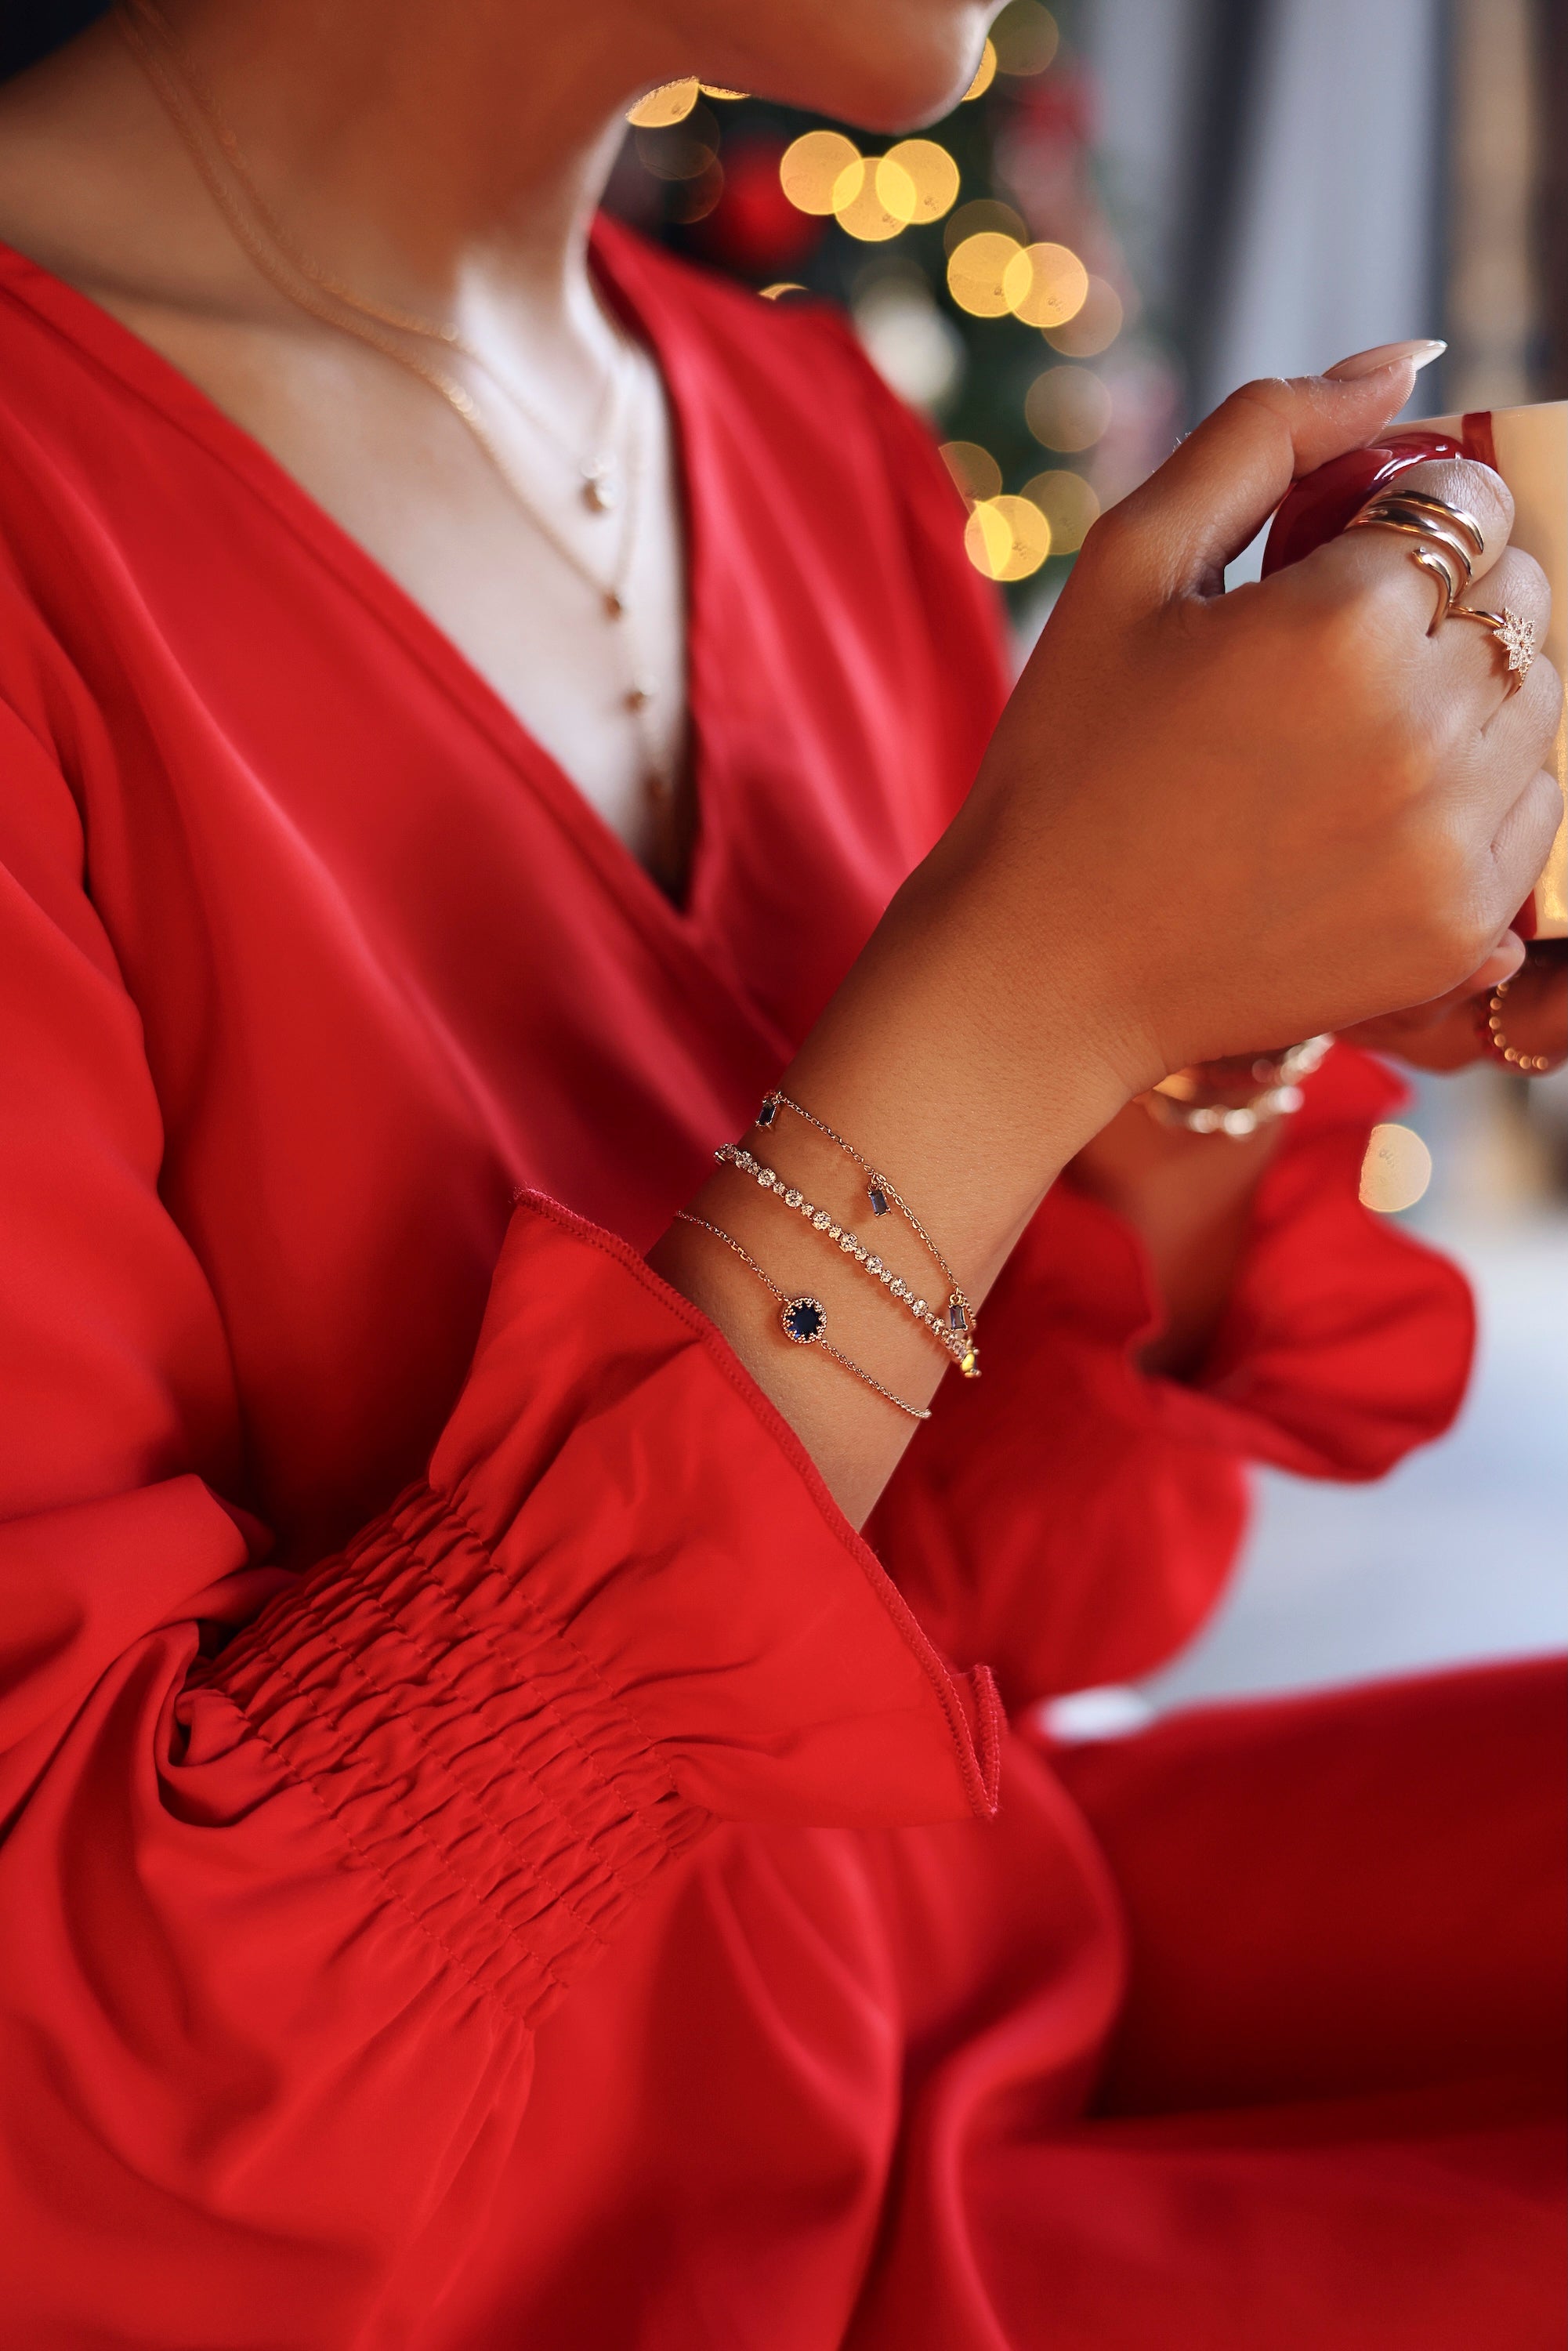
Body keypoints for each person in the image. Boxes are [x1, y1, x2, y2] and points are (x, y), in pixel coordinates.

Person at [0, 1, 1562, 2343]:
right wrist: (1020, 991)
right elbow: (105, 2162)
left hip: (953, 1973)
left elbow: (1025, 1613)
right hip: (540, 2251)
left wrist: (1195, 1020)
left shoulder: (786, 430)